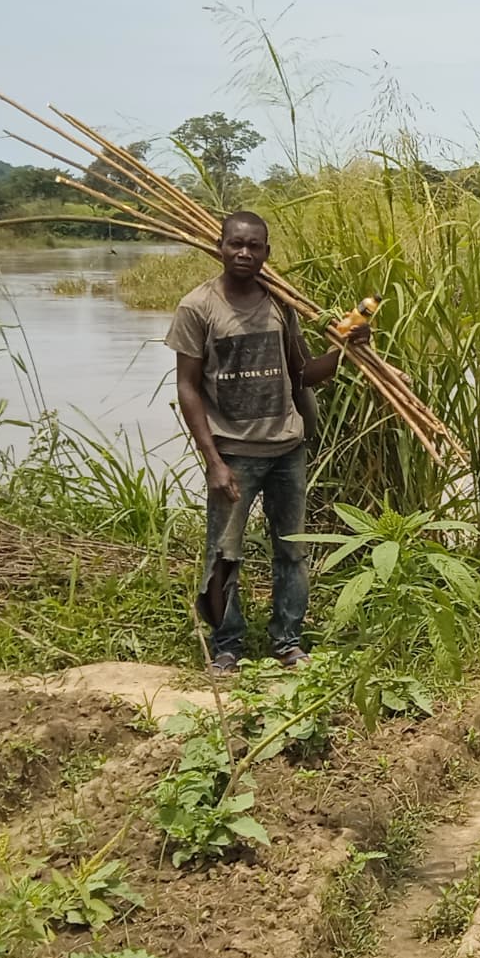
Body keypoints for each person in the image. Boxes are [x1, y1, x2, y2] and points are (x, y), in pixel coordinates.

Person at [165, 211, 368, 674]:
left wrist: (346, 348)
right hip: (233, 452)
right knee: (223, 553)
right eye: (236, 244)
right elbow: (187, 388)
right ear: (219, 246)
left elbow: (302, 374)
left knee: (292, 550)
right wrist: (213, 461)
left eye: (254, 246)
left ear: (266, 253)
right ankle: (227, 646)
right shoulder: (198, 307)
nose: (244, 253)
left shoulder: (281, 304)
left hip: (286, 450)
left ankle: (287, 641)